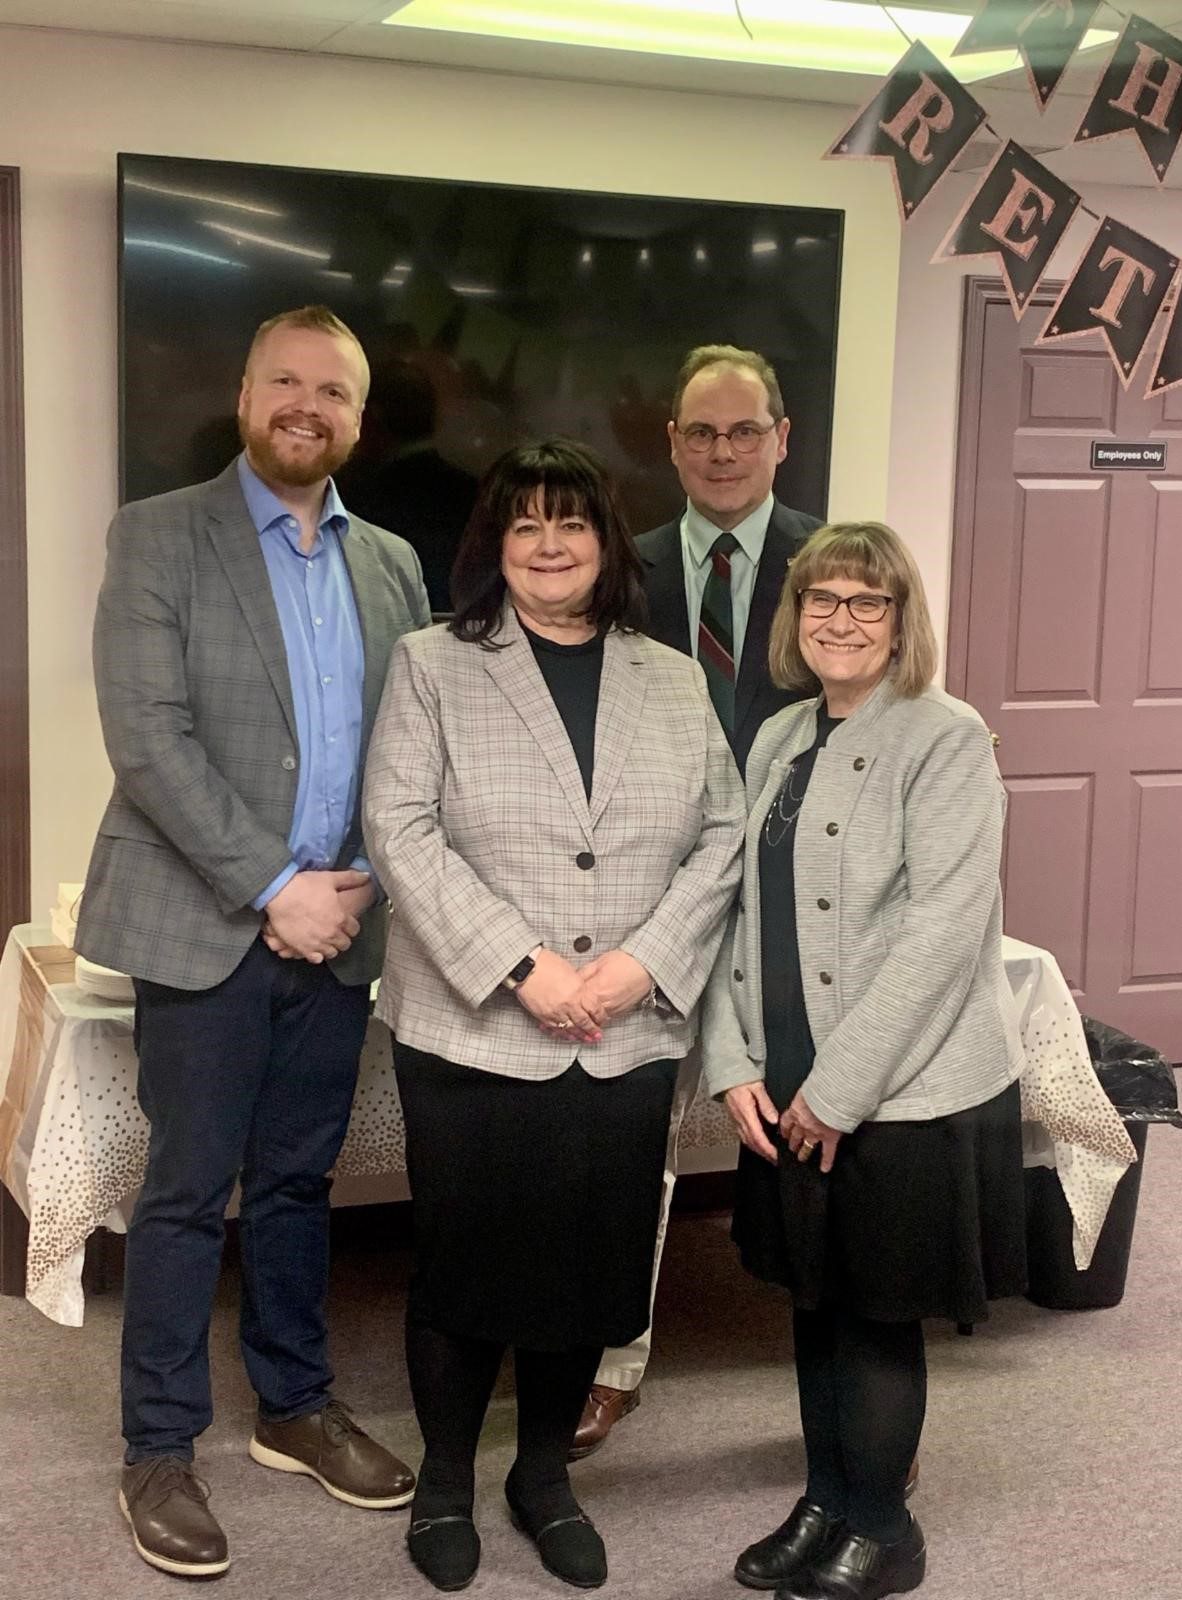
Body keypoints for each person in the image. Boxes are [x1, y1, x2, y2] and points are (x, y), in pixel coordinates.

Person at [76, 306, 431, 1579]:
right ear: (244, 394)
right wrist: (276, 883)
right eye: (285, 380)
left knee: (297, 1183)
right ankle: (159, 1447)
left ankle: (292, 1405)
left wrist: (356, 886)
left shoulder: (390, 561)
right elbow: (148, 738)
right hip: (206, 924)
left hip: (338, 934)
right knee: (185, 1192)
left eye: (331, 389)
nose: (306, 404)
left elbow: (410, 751)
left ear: (357, 415)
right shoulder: (159, 535)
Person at [362, 437, 742, 1592]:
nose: (547, 544)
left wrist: (640, 965)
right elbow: (399, 827)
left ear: (604, 541)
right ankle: (442, 1482)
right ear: (495, 542)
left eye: (569, 523)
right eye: (523, 524)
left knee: (592, 1267)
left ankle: (540, 1474)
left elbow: (723, 832)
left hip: (626, 1030)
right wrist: (526, 967)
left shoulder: (671, 674)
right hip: (479, 1026)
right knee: (467, 1264)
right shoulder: (433, 662)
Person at [704, 522, 1027, 1600]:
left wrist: (838, 1091)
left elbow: (943, 929)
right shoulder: (779, 734)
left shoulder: (945, 737)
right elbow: (736, 912)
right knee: (814, 1295)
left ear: (901, 622)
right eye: (821, 599)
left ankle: (883, 1524)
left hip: (899, 1084)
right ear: (796, 617)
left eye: (866, 602)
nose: (840, 619)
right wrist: (734, 1058)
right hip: (783, 1069)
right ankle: (826, 1496)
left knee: (877, 1308)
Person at [573, 344, 821, 1459]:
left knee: (821, 1150)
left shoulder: (834, 567)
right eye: (700, 432)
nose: (723, 450)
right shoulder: (619, 569)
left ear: (780, 437)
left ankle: (862, 1399)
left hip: (796, 914)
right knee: (623, 1149)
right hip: (646, 906)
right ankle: (609, 1363)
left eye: (744, 430)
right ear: (670, 444)